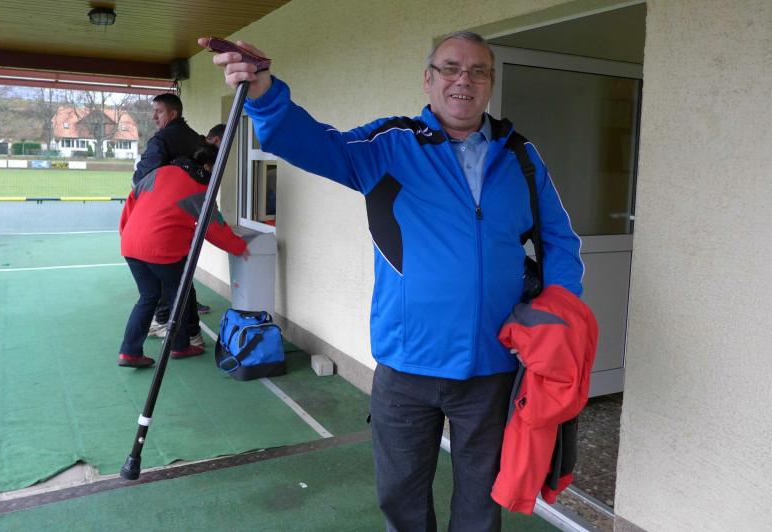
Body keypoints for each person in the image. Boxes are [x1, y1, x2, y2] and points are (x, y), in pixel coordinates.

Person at [202, 32, 584, 530]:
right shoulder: (390, 145)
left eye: (478, 71)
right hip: (407, 367)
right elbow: (313, 143)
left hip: (493, 368)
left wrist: (557, 311)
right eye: (450, 68)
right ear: (428, 79)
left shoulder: (521, 157)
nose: (464, 80)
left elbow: (559, 240)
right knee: (401, 498)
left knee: (481, 501)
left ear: (491, 82)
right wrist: (264, 93)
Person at [118, 144, 250, 368]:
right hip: (162, 247)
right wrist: (238, 246)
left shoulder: (159, 172)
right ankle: (179, 347)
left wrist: (126, 233)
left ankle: (129, 352)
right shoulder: (199, 187)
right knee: (178, 297)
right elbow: (213, 227)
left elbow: (132, 201)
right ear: (209, 166)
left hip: (131, 244)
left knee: (148, 297)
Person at [133, 93, 212, 334]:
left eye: (159, 111)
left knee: (163, 277)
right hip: (187, 217)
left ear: (173, 113)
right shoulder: (196, 139)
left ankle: (165, 321)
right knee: (180, 273)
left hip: (162, 219)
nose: (154, 117)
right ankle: (189, 329)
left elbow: (141, 178)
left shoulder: (161, 140)